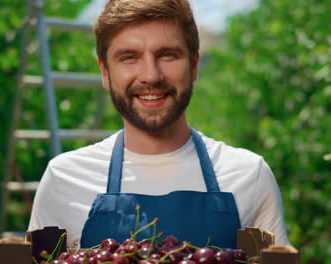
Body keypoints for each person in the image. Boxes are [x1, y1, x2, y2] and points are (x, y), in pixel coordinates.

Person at [28, 0, 290, 248]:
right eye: (129, 57)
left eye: (167, 55)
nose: (151, 75)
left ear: (194, 65)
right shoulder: (64, 179)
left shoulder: (248, 175)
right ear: (105, 73)